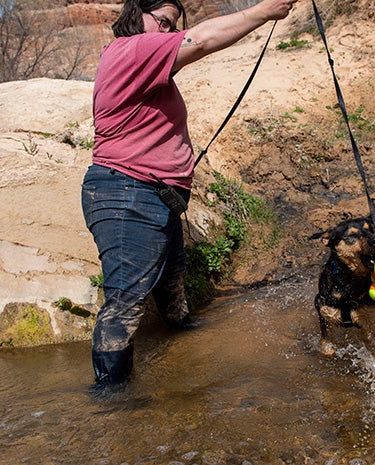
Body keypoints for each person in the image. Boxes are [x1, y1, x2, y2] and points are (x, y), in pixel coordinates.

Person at [81, 0, 297, 391]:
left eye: (172, 26)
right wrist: (265, 10)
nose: (166, 31)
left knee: (172, 285)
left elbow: (192, 47)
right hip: (129, 194)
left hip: (151, 196)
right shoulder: (133, 48)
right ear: (136, 14)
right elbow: (201, 40)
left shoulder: (143, 60)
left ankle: (184, 347)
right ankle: (110, 400)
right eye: (161, 21)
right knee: (125, 303)